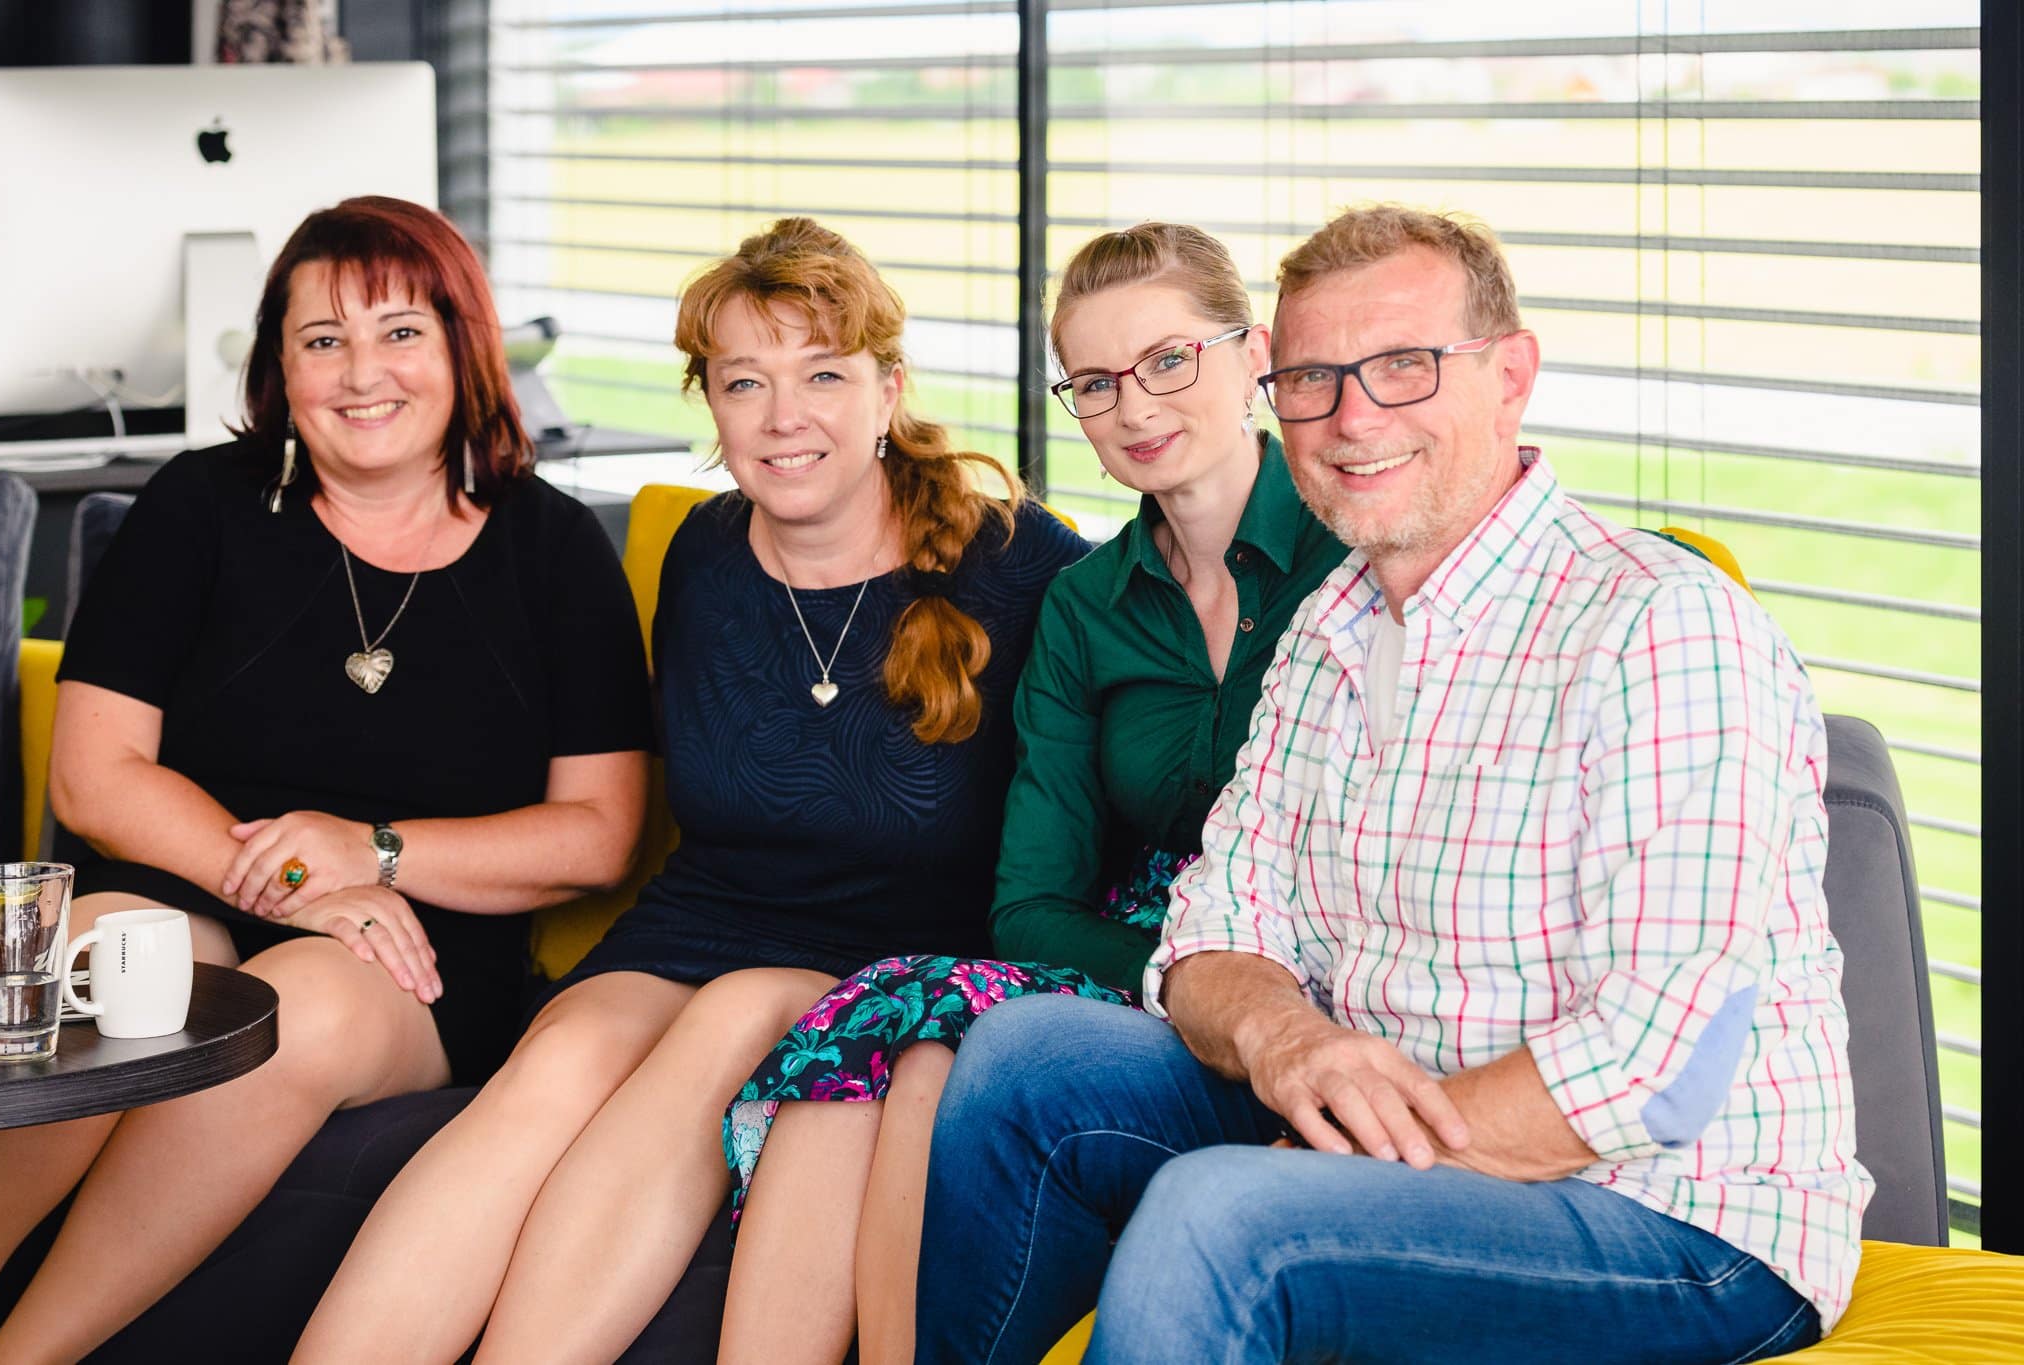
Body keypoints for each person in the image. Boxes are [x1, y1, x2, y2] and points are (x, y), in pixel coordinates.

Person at [913, 204, 1872, 1365]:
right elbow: (1213, 931)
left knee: (1224, 1216)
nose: (1352, 418)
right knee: (1026, 1064)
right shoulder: (1326, 630)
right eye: (1313, 380)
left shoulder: (1658, 624)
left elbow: (1658, 1067)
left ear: (1508, 376)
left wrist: (1348, 1157)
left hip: (1671, 1215)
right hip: (1391, 1113)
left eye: (1403, 366)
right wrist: (1283, 1039)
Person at [294, 217, 1089, 1365]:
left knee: (731, 1015)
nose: (782, 416)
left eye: (823, 375)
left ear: (887, 389)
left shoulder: (1018, 561)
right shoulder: (704, 553)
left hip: (894, 957)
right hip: (696, 924)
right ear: (709, 404)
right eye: (743, 382)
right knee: (555, 1067)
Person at [0, 195, 654, 1363]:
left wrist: (371, 855)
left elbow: (598, 834)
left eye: (401, 332)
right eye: (322, 339)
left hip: (416, 950)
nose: (361, 372)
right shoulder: (200, 506)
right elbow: (95, 775)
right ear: (278, 368)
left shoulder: (552, 549)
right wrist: (303, 885)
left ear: (463, 349)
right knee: (105, 961)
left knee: (299, 1008)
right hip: (182, 881)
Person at [715, 222, 1350, 1364]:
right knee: (903, 1032)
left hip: (1333, 969)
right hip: (1148, 960)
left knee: (934, 1037)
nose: (1134, 406)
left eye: (1169, 360)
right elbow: (1031, 906)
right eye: (1095, 384)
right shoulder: (1084, 602)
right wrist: (1183, 978)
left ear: (1253, 353)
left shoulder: (1356, 554)